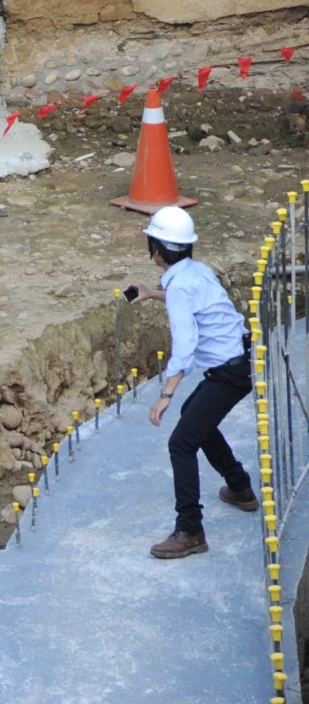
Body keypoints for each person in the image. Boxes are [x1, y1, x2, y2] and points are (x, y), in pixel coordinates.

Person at [126, 206, 257, 559]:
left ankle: (190, 530)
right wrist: (152, 294)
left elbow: (183, 347)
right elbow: (193, 301)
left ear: (157, 248)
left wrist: (165, 393)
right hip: (240, 362)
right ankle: (240, 488)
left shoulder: (182, 285)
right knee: (193, 418)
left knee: (181, 442)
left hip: (230, 372)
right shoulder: (195, 272)